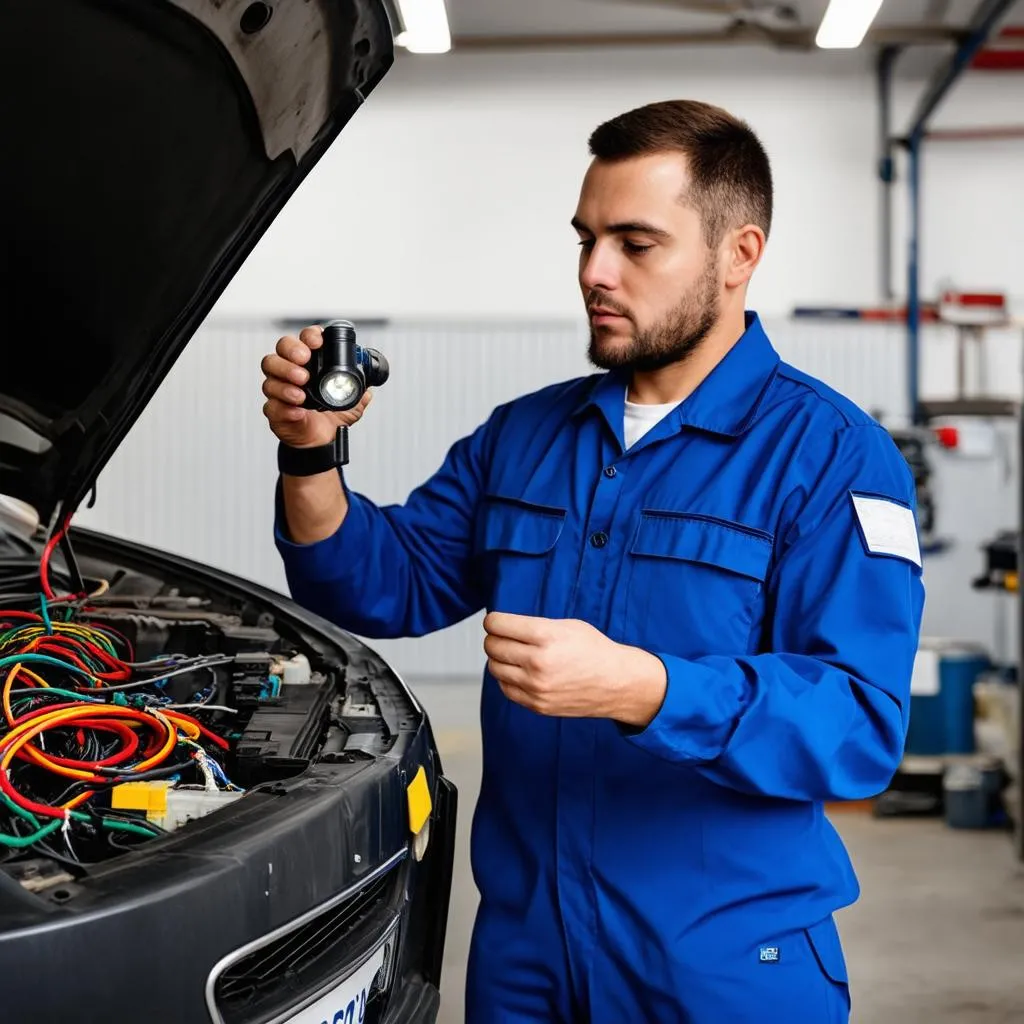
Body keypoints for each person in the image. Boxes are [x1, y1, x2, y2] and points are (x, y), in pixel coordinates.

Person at [261, 99, 924, 1023]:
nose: (594, 273)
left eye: (636, 244)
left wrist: (643, 687)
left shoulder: (833, 457)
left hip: (726, 965)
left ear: (740, 254)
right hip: (526, 957)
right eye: (586, 239)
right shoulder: (527, 435)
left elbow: (859, 724)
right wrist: (308, 452)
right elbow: (381, 582)